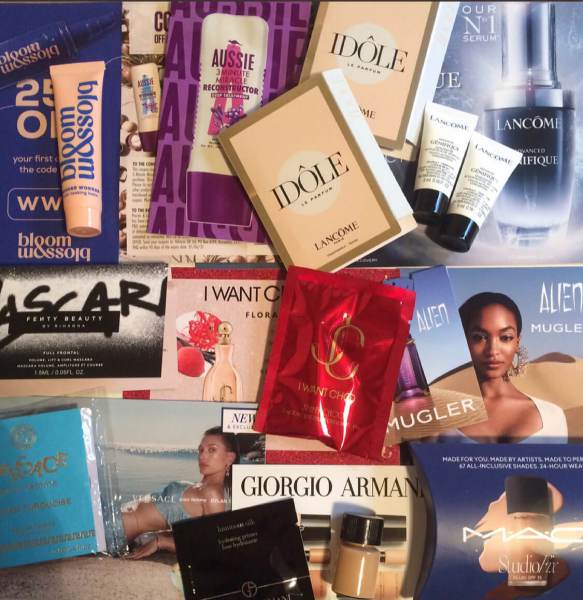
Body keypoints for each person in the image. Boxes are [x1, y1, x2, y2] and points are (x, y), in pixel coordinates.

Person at [441, 292, 567, 443]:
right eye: (479, 337)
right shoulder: (439, 420)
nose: (493, 350)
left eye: (505, 337)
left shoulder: (552, 417)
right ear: (463, 341)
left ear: (517, 342)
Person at [122, 426, 238, 558]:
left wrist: (162, 542)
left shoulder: (212, 494)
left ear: (230, 458)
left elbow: (212, 544)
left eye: (212, 450)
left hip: (118, 528)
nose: (202, 456)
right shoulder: (206, 489)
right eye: (201, 450)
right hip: (120, 522)